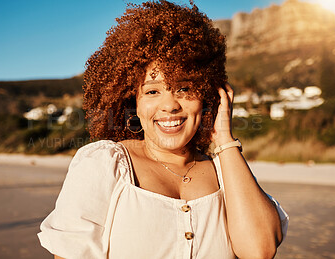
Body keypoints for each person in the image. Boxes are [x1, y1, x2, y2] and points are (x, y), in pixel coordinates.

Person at [37, 1, 289, 258]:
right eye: (153, 91)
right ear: (132, 101)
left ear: (207, 96)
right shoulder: (106, 164)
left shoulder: (227, 172)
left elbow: (260, 250)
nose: (169, 105)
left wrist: (224, 138)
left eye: (184, 88)